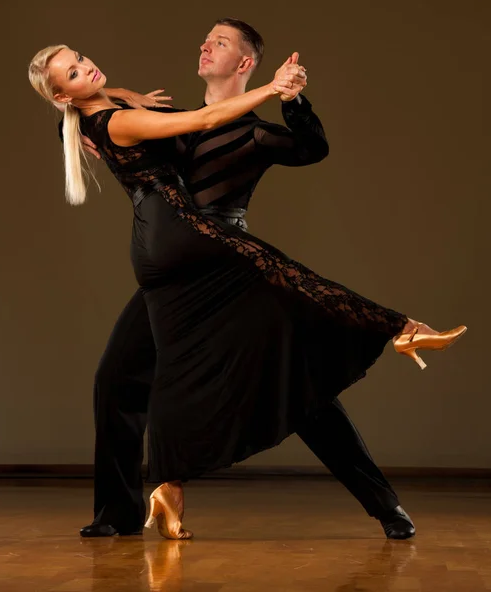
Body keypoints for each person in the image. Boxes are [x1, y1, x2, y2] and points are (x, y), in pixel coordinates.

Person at [29, 42, 466, 541]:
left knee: (299, 387)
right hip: (184, 258)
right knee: (117, 380)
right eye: (204, 40)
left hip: (213, 260)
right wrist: (93, 113)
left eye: (218, 43)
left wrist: (288, 98)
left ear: (245, 63)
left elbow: (309, 148)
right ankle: (120, 512)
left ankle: (385, 505)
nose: (202, 47)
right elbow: (145, 119)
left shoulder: (248, 129)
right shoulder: (162, 115)